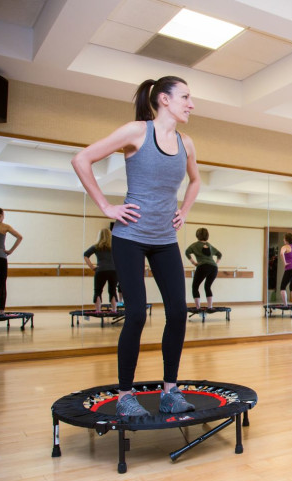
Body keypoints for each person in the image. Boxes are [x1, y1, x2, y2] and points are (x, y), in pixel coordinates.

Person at [72, 76, 201, 416]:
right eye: (185, 97)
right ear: (164, 99)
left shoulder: (187, 143)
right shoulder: (136, 132)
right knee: (135, 315)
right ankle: (125, 395)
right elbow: (82, 159)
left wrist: (184, 211)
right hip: (129, 237)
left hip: (164, 240)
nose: (191, 103)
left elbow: (196, 179)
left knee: (177, 312)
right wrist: (107, 207)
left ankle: (169, 391)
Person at [185, 228, 222, 309]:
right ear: (207, 236)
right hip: (214, 268)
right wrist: (216, 263)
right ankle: (210, 307)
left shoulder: (195, 245)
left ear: (197, 236)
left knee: (195, 287)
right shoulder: (210, 246)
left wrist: (194, 263)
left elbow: (187, 252)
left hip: (203, 266)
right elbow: (219, 254)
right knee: (207, 286)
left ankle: (198, 308)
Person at [83, 228, 118, 313]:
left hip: (101, 270)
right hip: (113, 270)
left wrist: (92, 267)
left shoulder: (96, 246)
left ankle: (98, 310)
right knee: (112, 290)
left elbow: (85, 255)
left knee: (98, 290)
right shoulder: (114, 246)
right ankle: (114, 309)